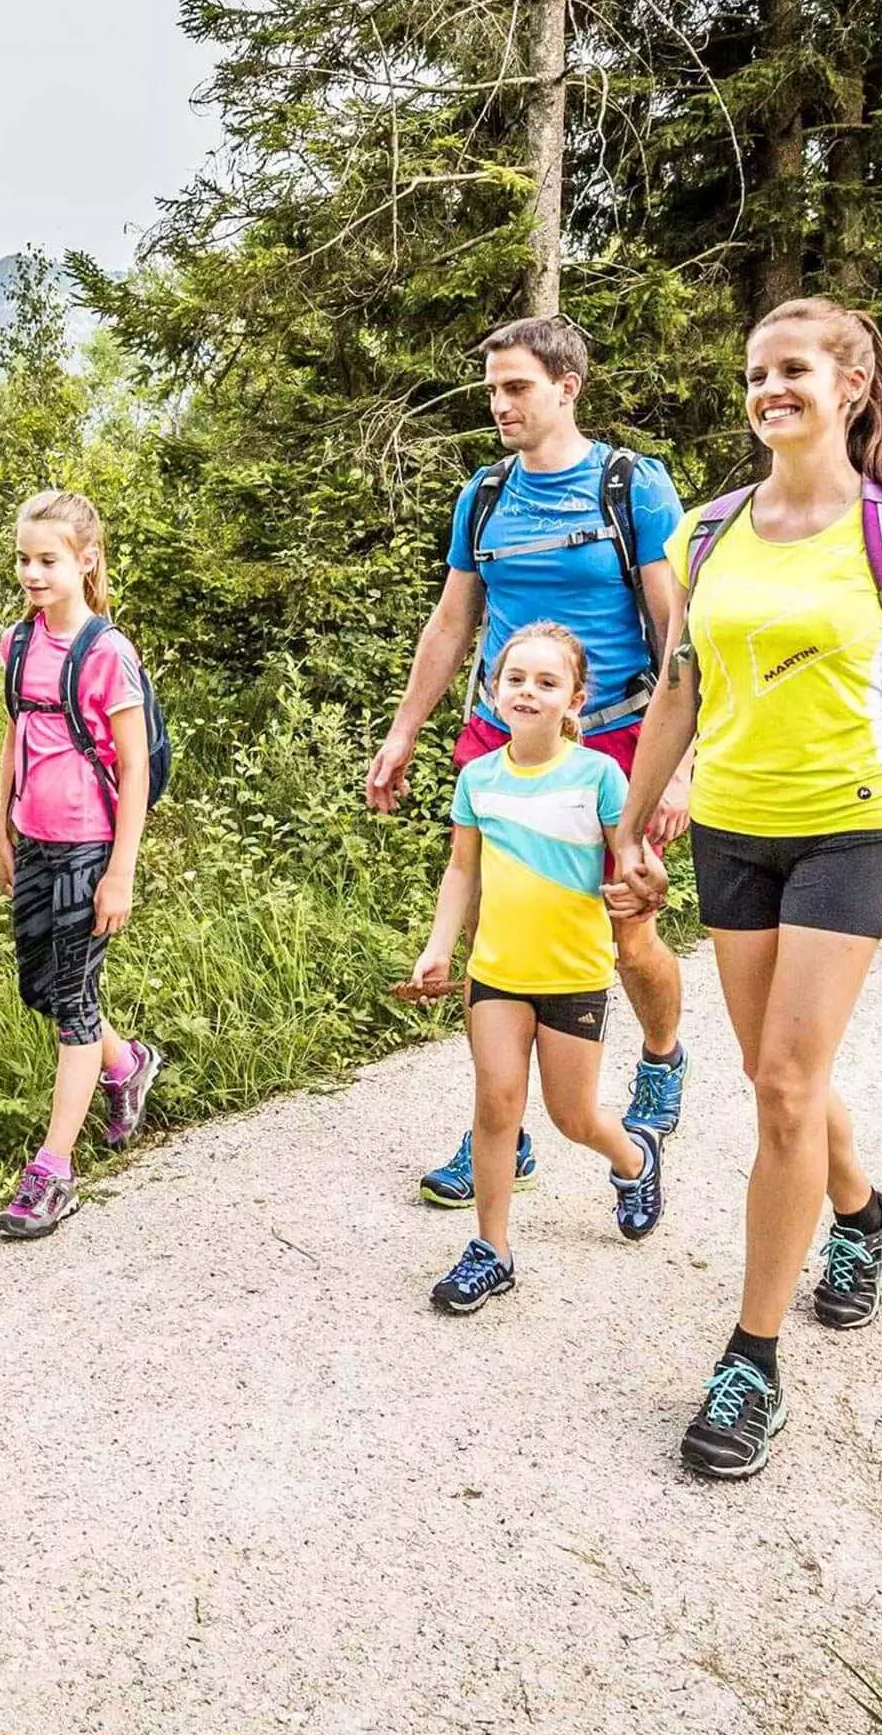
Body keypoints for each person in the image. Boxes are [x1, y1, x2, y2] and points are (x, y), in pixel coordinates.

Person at [604, 298, 882, 1480]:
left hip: (854, 829)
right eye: (756, 372)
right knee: (782, 1072)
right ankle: (868, 1218)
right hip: (734, 828)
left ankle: (749, 1361)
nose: (771, 387)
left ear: (853, 383)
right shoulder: (707, 535)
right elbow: (679, 687)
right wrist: (630, 824)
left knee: (782, 1081)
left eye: (794, 370)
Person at [365, 316, 694, 1207]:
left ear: (565, 387)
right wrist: (404, 731)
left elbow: (677, 634)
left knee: (624, 928)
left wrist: (681, 764)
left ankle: (662, 1057)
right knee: (497, 928)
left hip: (617, 732)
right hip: (501, 733)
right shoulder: (487, 494)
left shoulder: (631, 487)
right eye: (493, 388)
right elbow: (450, 624)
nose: (500, 403)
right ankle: (498, 1133)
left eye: (516, 386)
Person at [411, 623, 666, 1313]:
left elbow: (634, 855)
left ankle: (634, 1158)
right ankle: (491, 1251)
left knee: (573, 1115)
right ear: (493, 691)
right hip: (496, 972)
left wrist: (646, 880)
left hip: (574, 973)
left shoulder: (598, 775)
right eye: (515, 678)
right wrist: (440, 948)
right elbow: (461, 871)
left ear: (575, 699)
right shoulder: (478, 778)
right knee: (496, 1106)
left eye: (547, 682)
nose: (528, 691)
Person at [0, 489, 166, 1240]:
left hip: (90, 848)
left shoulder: (107, 652)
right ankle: (126, 1065)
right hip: (33, 839)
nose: (33, 573)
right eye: (25, 560)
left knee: (72, 1001)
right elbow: (13, 737)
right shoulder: (18, 643)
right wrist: (0, 827)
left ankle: (51, 1171)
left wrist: (120, 870)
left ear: (85, 560)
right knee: (41, 988)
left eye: (48, 560)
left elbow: (133, 770)